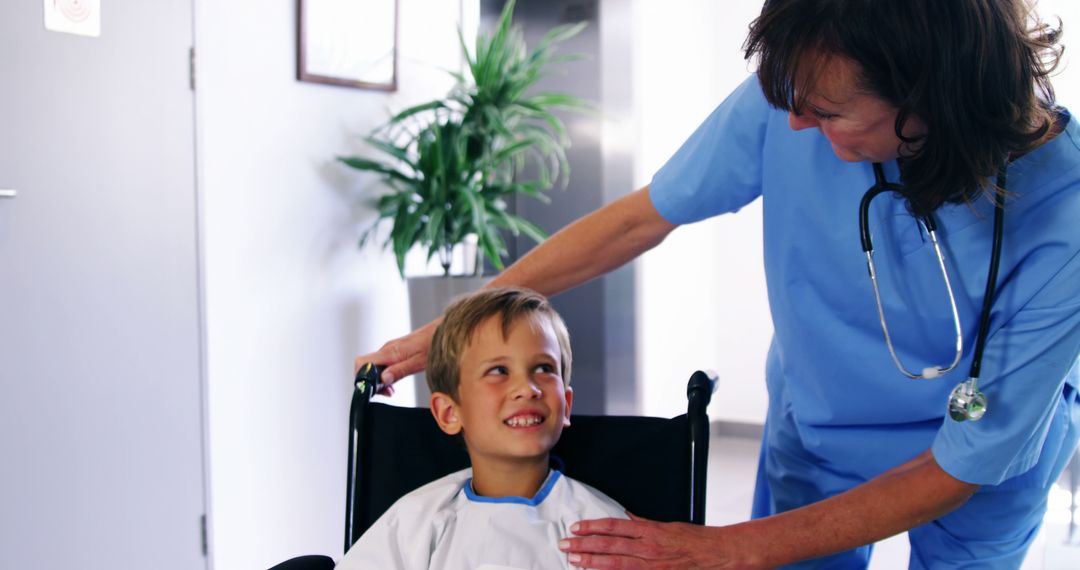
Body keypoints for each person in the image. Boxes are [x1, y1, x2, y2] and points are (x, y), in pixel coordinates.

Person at [358, 0, 1080, 567]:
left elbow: (961, 468)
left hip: (972, 468)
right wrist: (456, 325)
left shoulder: (1065, 211)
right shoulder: (793, 94)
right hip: (821, 430)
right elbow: (638, 220)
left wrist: (726, 550)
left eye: (827, 113)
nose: (794, 123)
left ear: (928, 101)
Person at [337, 287, 627, 569]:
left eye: (543, 369)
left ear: (566, 403)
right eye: (499, 371)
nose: (527, 389)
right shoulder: (416, 521)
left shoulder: (600, 533)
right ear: (449, 413)